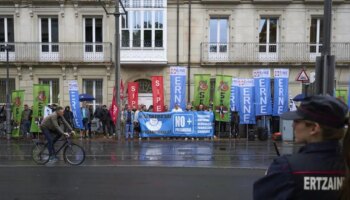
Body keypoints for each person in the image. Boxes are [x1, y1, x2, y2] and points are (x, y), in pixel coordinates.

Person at [253, 95, 349, 200]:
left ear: (314, 128)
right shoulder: (345, 165)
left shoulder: (287, 167)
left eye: (297, 121)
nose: (292, 125)